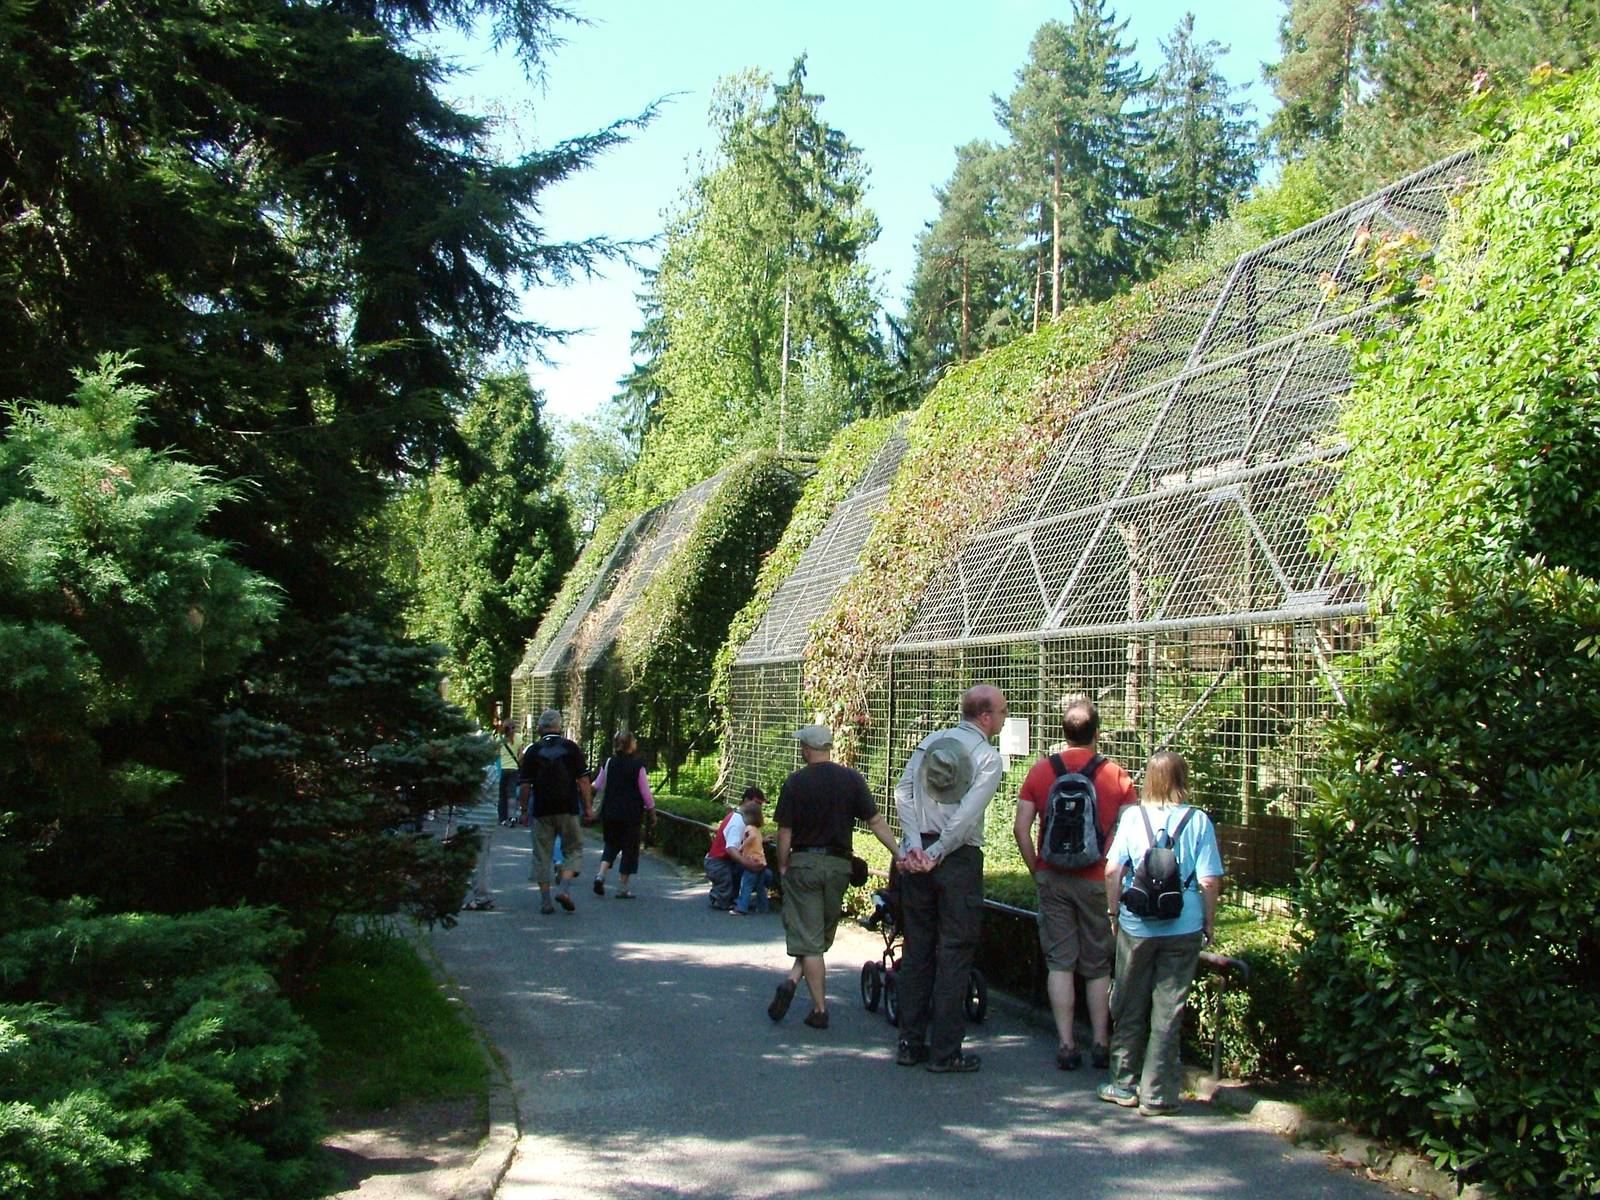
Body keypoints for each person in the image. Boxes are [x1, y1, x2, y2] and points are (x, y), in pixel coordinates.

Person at [1013, 696, 1137, 1070]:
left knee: (1060, 962)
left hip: (1053, 877)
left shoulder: (1040, 772)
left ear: (1064, 732)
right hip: (1099, 878)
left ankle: (1066, 1044)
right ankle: (1101, 1040)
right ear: (1096, 733)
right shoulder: (1117, 775)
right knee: (1098, 964)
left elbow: (1020, 828)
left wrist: (1038, 869)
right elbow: (1131, 834)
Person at [1098, 751, 1224, 1116]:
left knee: (1129, 1001)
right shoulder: (1199, 821)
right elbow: (1209, 879)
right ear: (1183, 778)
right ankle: (1157, 1094)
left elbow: (1112, 871)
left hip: (1137, 925)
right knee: (1168, 1009)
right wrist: (1208, 921)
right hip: (1182, 925)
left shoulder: (1133, 817)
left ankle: (1122, 1083)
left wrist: (1114, 912)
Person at [891, 684, 1009, 1073]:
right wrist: (938, 851)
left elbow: (902, 791)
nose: (1005, 719)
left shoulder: (930, 742)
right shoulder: (987, 758)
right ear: (986, 717)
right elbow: (967, 816)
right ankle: (945, 1051)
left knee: (918, 946)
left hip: (918, 852)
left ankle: (910, 1042)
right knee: (955, 951)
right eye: (1003, 713)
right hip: (956, 860)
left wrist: (912, 846)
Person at [768, 725, 900, 1029]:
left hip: (805, 864)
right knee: (818, 936)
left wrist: (783, 864)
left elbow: (784, 831)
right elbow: (876, 820)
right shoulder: (852, 779)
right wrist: (898, 852)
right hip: (839, 866)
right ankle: (791, 979)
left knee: (810, 939)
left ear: (806, 749)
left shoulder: (795, 783)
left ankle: (819, 1010)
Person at [520, 709, 593, 915]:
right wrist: (587, 807)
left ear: (540, 728)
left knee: (542, 854)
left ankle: (545, 901)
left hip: (541, 809)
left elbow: (525, 785)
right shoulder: (571, 748)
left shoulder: (533, 751)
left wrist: (524, 810)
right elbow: (584, 781)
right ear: (559, 727)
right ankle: (565, 890)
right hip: (568, 807)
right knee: (573, 848)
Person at [592, 731, 655, 899]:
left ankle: (601, 875)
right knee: (629, 849)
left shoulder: (609, 762)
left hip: (610, 812)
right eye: (634, 740)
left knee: (611, 844)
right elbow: (645, 792)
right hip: (631, 814)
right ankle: (622, 887)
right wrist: (652, 810)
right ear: (630, 745)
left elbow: (598, 785)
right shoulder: (638, 765)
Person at [704, 788, 754, 910]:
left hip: (721, 861)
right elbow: (731, 848)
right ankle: (719, 899)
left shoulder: (738, 817)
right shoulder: (737, 821)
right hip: (718, 862)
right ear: (747, 800)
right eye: (756, 803)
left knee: (731, 880)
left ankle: (727, 897)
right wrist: (747, 863)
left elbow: (743, 838)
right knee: (725, 887)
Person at [729, 798, 771, 915]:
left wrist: (742, 846)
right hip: (761, 861)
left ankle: (741, 907)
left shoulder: (749, 828)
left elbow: (751, 838)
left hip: (752, 861)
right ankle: (763, 906)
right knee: (760, 886)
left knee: (746, 884)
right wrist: (764, 840)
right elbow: (756, 840)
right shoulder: (757, 829)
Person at [495, 719, 521, 826]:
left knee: (502, 795)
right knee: (512, 794)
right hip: (514, 769)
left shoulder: (499, 739)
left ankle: (502, 818)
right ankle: (513, 817)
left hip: (503, 769)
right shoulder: (518, 737)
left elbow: (496, 754)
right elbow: (521, 755)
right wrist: (517, 763)